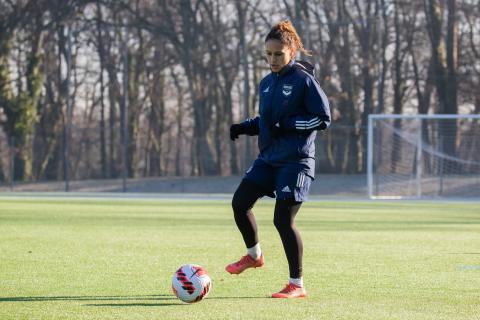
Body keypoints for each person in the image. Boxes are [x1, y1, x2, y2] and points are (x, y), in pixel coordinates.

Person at [226, 20, 331, 299]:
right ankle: (254, 255)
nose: (272, 60)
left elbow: (322, 118)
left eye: (278, 54)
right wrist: (245, 127)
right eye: (268, 54)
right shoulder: (267, 83)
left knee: (282, 220)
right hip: (269, 159)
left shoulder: (304, 80)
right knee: (239, 203)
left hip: (296, 162)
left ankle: (296, 284)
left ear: (292, 51)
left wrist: (286, 126)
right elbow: (268, 121)